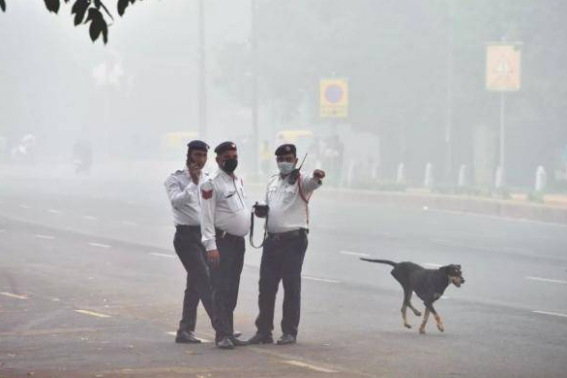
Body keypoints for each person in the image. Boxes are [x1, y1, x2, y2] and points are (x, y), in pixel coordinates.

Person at [248, 143, 326, 345]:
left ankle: (289, 332)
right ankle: (264, 331)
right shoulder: (272, 181)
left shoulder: (302, 180)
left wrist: (318, 175)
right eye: (281, 159)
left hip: (293, 241)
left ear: (296, 160)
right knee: (266, 287)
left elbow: (314, 181)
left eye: (288, 159)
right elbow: (269, 206)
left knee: (291, 287)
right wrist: (261, 211)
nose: (284, 162)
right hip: (272, 241)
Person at [164, 140, 218, 344]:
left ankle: (185, 330)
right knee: (203, 278)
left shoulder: (208, 177)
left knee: (195, 284)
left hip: (205, 236)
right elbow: (176, 201)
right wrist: (192, 184)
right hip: (186, 237)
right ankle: (221, 325)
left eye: (204, 156)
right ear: (189, 156)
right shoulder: (175, 178)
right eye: (197, 155)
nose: (201, 160)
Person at [200, 141, 251, 350]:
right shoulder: (211, 183)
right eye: (228, 156)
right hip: (222, 243)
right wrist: (211, 246)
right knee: (221, 288)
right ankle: (221, 334)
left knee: (232, 289)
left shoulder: (237, 179)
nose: (232, 159)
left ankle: (229, 331)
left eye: (234, 155)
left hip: (238, 243)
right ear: (218, 159)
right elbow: (206, 216)